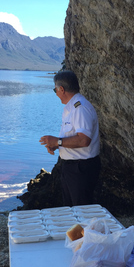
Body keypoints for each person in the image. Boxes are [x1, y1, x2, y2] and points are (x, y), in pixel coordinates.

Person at [39, 70, 101, 206]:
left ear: (61, 89)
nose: (55, 93)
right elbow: (74, 137)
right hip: (73, 167)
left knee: (81, 210)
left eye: (55, 90)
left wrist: (58, 141)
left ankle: (85, 229)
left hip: (81, 168)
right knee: (72, 209)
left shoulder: (80, 108)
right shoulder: (72, 108)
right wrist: (58, 145)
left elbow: (84, 140)